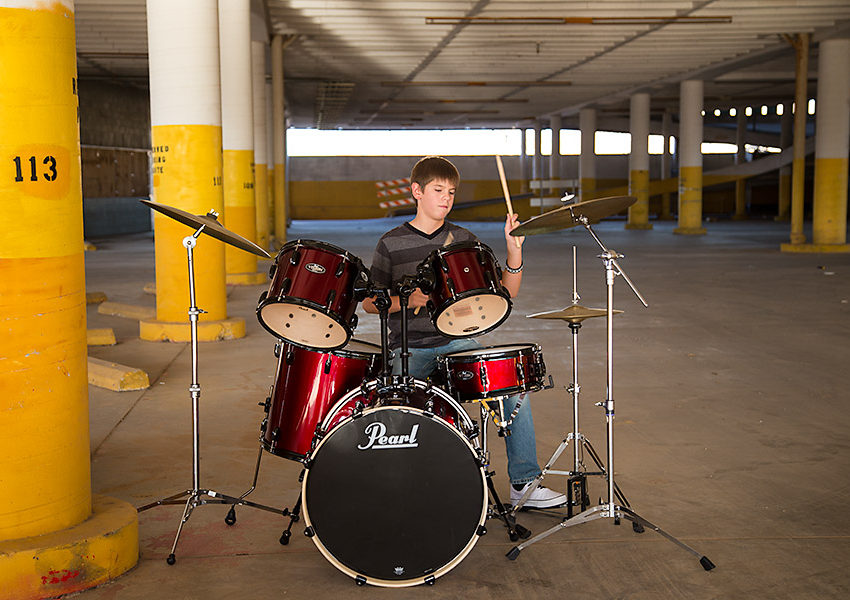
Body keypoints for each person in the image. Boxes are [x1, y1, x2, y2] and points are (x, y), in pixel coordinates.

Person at [362, 155, 565, 509]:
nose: (446, 198)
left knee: (513, 391)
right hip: (411, 347)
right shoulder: (391, 243)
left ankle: (524, 484)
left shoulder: (463, 240)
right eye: (438, 190)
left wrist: (514, 253)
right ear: (416, 192)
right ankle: (395, 488)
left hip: (459, 342)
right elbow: (368, 302)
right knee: (391, 411)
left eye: (451, 192)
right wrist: (404, 298)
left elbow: (507, 292)